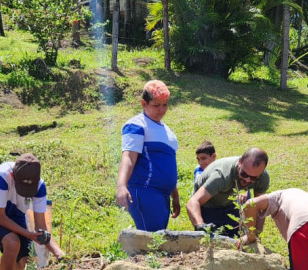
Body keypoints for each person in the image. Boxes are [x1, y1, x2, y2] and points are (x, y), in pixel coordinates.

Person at [0, 153, 64, 270]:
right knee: (12, 243)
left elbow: (41, 227)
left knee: (28, 264)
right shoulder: (0, 177)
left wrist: (59, 253)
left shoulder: (40, 186)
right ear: (13, 176)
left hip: (17, 214)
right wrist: (28, 234)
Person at [115, 80, 180, 232]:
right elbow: (128, 157)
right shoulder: (137, 125)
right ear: (144, 103)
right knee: (151, 240)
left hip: (163, 196)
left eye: (165, 105)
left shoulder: (168, 132)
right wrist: (121, 186)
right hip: (146, 191)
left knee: (157, 239)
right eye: (156, 105)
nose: (162, 110)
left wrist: (175, 195)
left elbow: (168, 165)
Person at [186, 147, 270, 238]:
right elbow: (193, 202)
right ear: (240, 162)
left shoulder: (262, 177)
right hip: (208, 205)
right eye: (244, 174)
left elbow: (260, 207)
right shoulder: (221, 176)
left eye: (253, 178)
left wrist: (255, 234)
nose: (247, 180)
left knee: (238, 238)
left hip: (229, 203)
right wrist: (200, 225)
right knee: (211, 240)